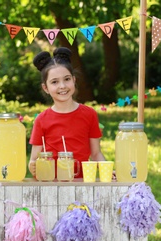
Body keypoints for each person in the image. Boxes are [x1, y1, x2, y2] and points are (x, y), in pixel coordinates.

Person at [28, 47, 106, 178]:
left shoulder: (89, 114)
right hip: (52, 182)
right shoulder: (41, 119)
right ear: (45, 88)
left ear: (74, 80)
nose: (62, 86)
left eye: (67, 79)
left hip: (81, 182)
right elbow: (34, 159)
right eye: (54, 82)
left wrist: (107, 172)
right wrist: (32, 165)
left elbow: (96, 153)